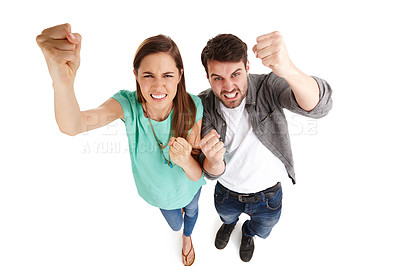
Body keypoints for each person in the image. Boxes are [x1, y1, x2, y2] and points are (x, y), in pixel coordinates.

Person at [36, 23, 205, 266]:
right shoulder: (126, 105)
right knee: (175, 222)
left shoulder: (193, 105)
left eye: (167, 75)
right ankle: (182, 231)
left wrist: (186, 160)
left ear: (180, 74)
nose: (158, 86)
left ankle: (188, 238)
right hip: (160, 196)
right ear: (136, 75)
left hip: (190, 189)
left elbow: (197, 173)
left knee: (192, 213)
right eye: (148, 75)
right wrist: (62, 83)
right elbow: (73, 125)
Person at [198, 32, 332, 262]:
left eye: (236, 74)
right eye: (218, 78)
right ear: (208, 77)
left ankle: (248, 233)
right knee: (226, 217)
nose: (228, 86)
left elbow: (319, 107)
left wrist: (287, 68)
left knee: (262, 229)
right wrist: (212, 160)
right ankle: (230, 225)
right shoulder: (203, 104)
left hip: (268, 197)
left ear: (247, 66)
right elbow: (210, 173)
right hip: (226, 193)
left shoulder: (267, 86)